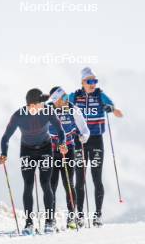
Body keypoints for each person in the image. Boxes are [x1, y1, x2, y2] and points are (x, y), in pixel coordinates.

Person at [0, 88, 67, 234]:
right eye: (41, 103)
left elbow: (61, 131)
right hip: (27, 151)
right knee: (28, 184)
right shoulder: (18, 115)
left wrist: (62, 144)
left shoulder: (48, 111)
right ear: (32, 105)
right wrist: (4, 154)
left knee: (45, 183)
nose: (44, 105)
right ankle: (29, 223)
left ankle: (49, 221)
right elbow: (5, 138)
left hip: (45, 149)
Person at [69, 67, 123, 227]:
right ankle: (79, 216)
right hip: (79, 141)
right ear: (82, 82)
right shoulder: (74, 96)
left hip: (96, 140)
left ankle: (97, 215)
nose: (93, 84)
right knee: (79, 179)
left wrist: (111, 109)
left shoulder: (100, 95)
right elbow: (63, 109)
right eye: (89, 81)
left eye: (94, 81)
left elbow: (117, 110)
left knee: (96, 178)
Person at [48, 86, 90, 229]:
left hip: (69, 150)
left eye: (67, 97)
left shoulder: (73, 109)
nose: (67, 100)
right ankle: (50, 219)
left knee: (68, 183)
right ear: (56, 100)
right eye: (64, 98)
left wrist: (84, 137)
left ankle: (71, 217)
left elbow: (85, 129)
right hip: (51, 151)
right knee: (51, 185)